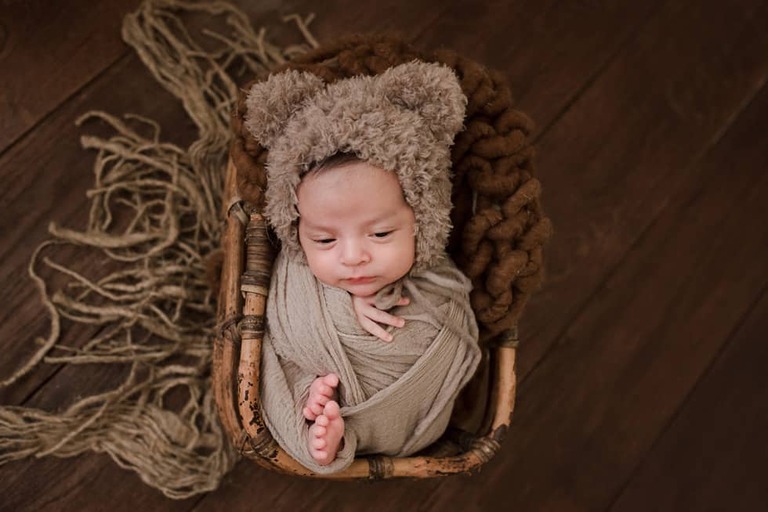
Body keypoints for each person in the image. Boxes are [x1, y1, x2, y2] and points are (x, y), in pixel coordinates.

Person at [244, 60, 481, 473]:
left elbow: (452, 360)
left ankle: (333, 420)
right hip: (311, 367)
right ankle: (315, 415)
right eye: (325, 240)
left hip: (409, 421)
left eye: (381, 233)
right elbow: (278, 323)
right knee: (289, 368)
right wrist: (339, 307)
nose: (353, 257)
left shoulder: (444, 294)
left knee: (423, 341)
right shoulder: (296, 274)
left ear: (423, 221)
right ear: (296, 232)